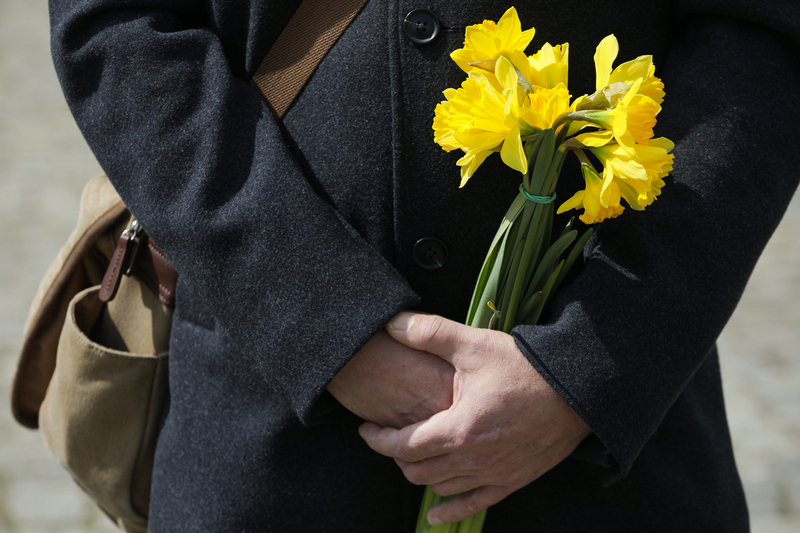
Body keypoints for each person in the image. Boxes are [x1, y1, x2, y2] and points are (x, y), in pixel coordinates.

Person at [48, 0, 800, 531]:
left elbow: (764, 37)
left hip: (604, 454)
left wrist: (587, 366)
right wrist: (325, 322)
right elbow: (118, 23)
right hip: (263, 438)